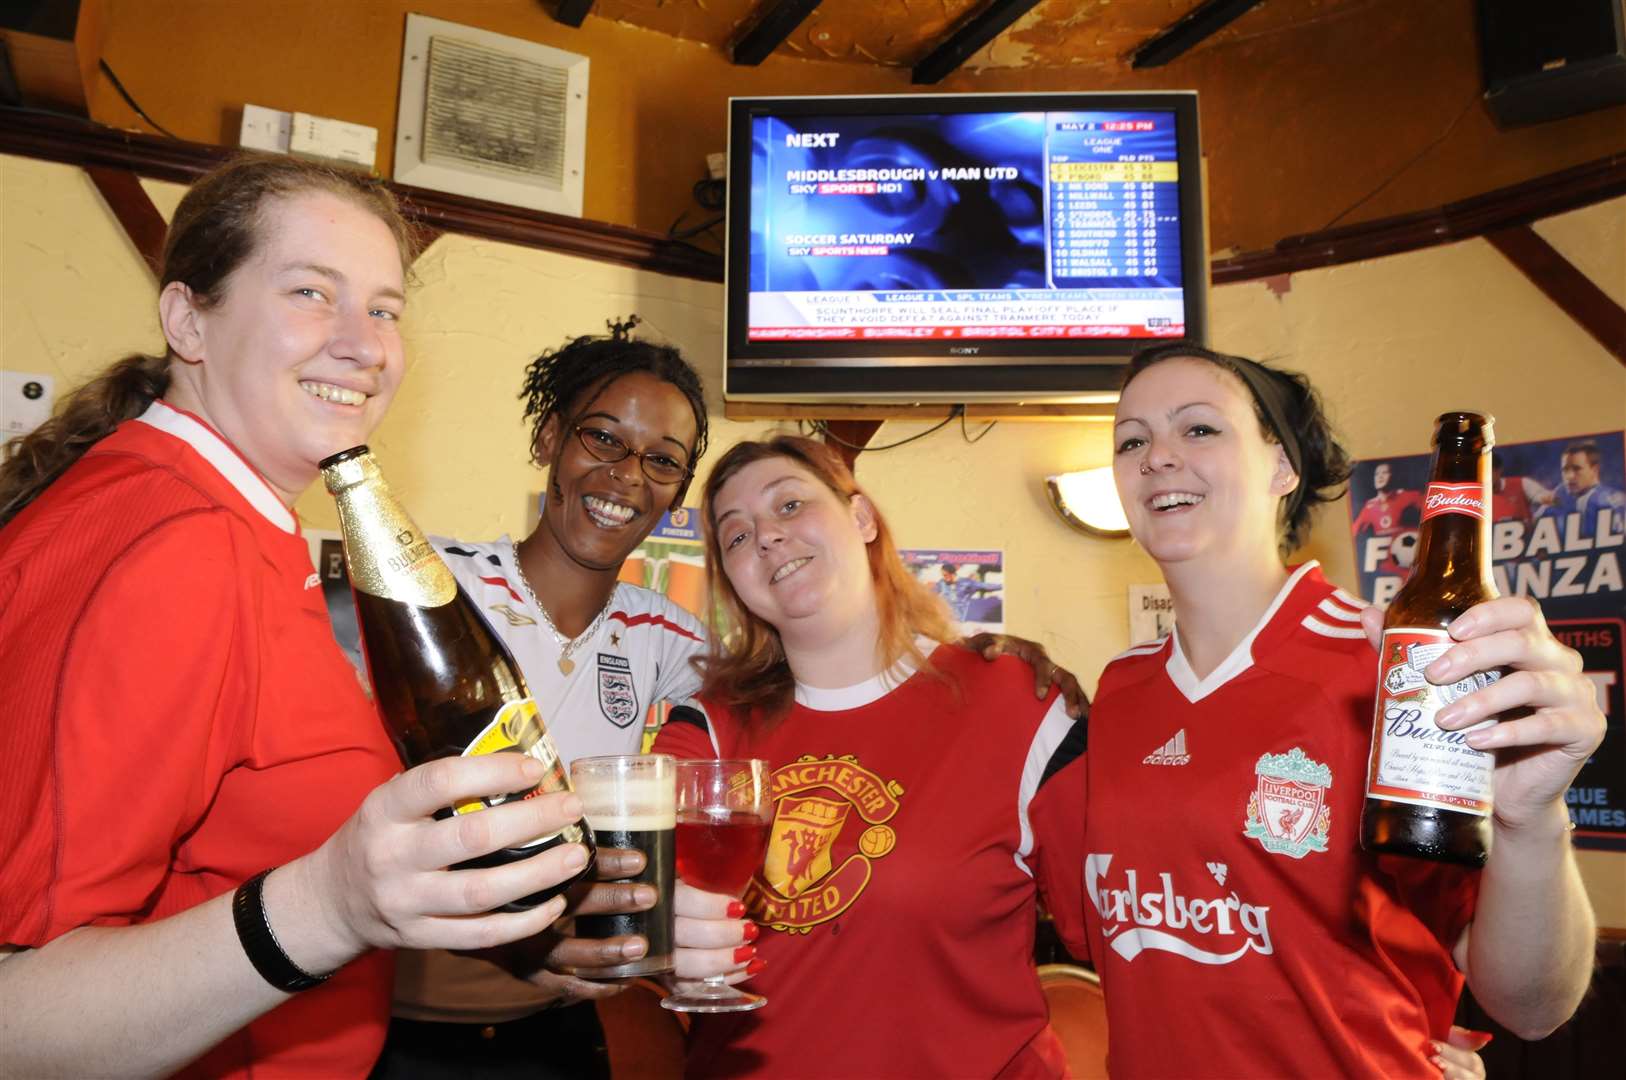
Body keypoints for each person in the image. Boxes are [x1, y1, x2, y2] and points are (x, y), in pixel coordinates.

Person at [0, 156, 593, 1079]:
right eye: (312, 292)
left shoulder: (229, 520)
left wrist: (520, 926)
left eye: (386, 308)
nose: (366, 344)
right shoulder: (175, 544)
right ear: (189, 319)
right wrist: (332, 908)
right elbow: (17, 1012)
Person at [1078, 342, 1602, 1077]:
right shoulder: (1117, 693)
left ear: (1283, 468)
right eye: (1131, 439)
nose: (1157, 456)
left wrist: (1532, 816)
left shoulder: (1391, 667)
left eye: (1198, 429)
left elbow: (1533, 1005)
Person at [656, 435, 1089, 1078]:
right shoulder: (710, 729)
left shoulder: (1019, 701)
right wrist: (654, 920)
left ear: (861, 519)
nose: (767, 537)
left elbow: (1128, 931)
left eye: (790, 505)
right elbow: (623, 881)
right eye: (737, 537)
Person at [377, 320, 713, 1079]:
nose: (629, 473)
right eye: (603, 439)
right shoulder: (435, 587)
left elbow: (806, 687)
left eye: (662, 460)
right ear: (549, 439)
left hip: (556, 1035)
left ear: (677, 492)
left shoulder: (661, 632)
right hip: (400, 1033)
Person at [1535, 440, 1625, 539]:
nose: (1569, 476)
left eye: (1577, 469)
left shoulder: (1613, 501)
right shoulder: (1559, 495)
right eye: (1565, 470)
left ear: (1594, 469)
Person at [1352, 459, 1424, 572]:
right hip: (1386, 569)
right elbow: (1353, 533)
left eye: (1384, 472)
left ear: (1392, 476)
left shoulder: (1408, 496)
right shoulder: (1369, 507)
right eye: (1377, 474)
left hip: (1410, 566)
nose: (1380, 477)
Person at [1490, 454, 1554, 525]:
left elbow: (1543, 496)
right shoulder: (1477, 499)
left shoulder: (1522, 483)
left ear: (1499, 470)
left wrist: (1545, 498)